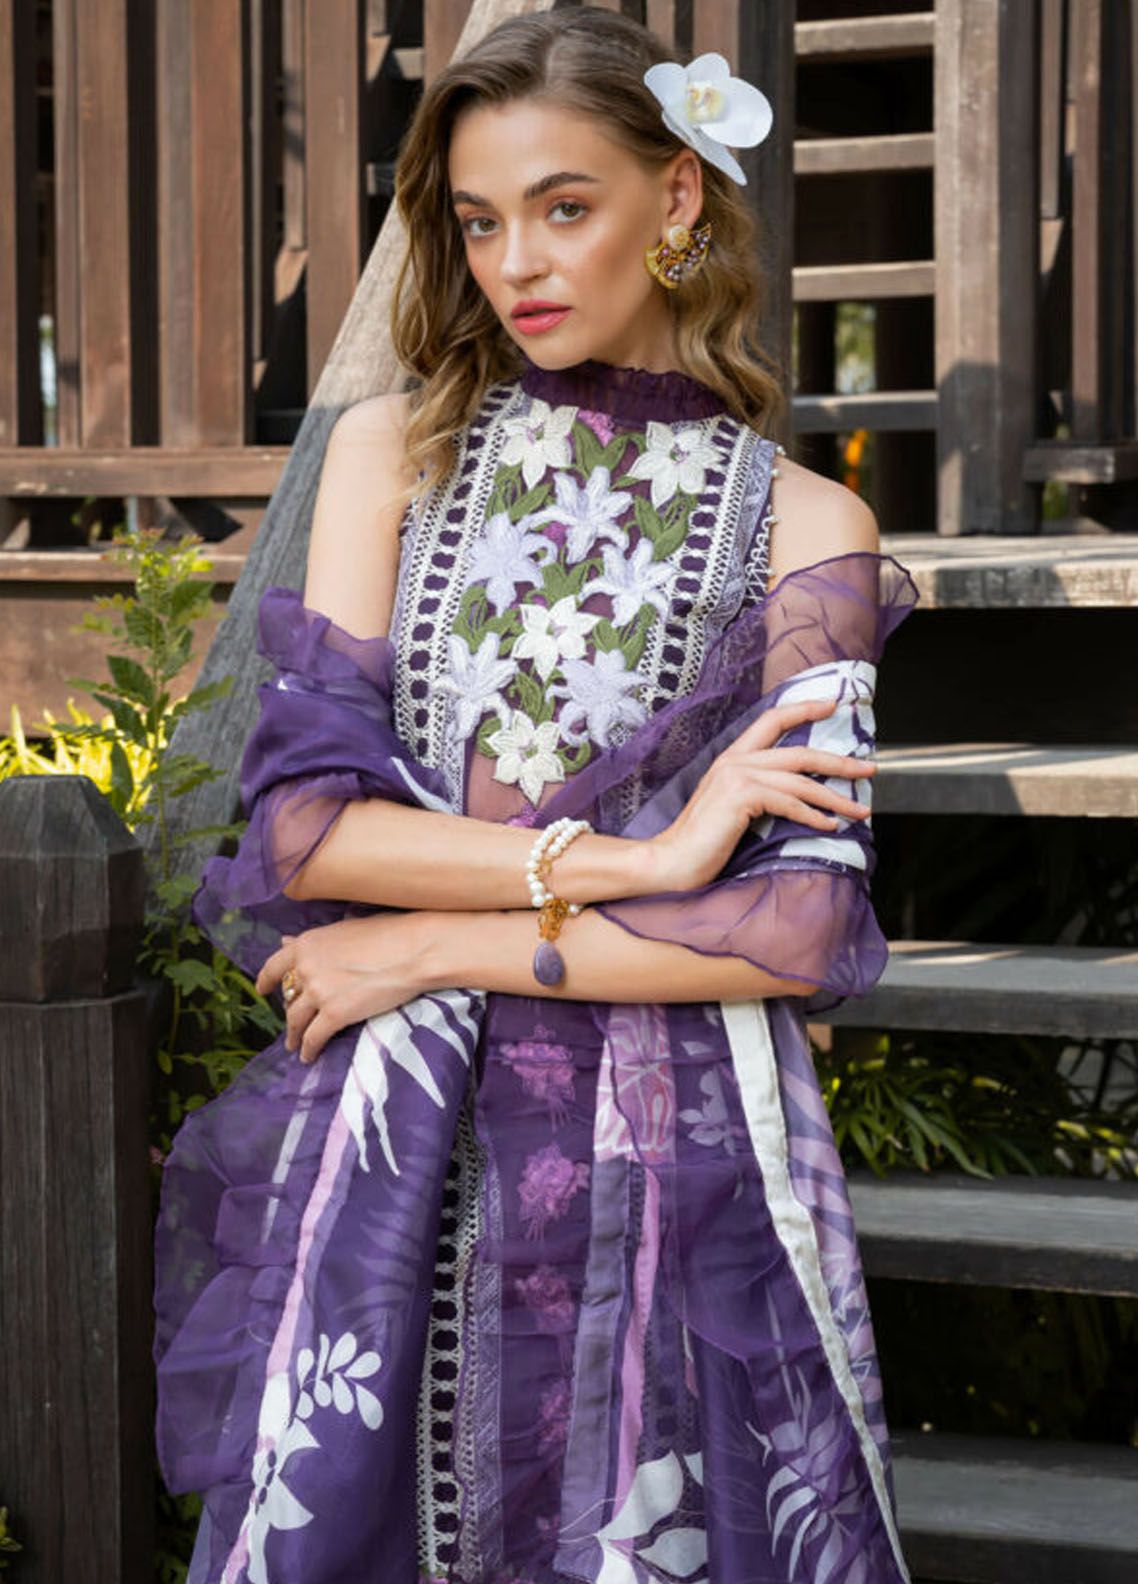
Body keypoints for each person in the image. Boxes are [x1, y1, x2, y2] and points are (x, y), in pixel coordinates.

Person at [153, 9, 919, 1582]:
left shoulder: (809, 526)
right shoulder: (393, 455)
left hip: (682, 1150)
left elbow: (794, 930)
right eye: (480, 221)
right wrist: (653, 860)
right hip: (404, 1148)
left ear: (676, 196)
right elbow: (308, 831)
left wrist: (425, 943)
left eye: (564, 208)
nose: (518, 264)